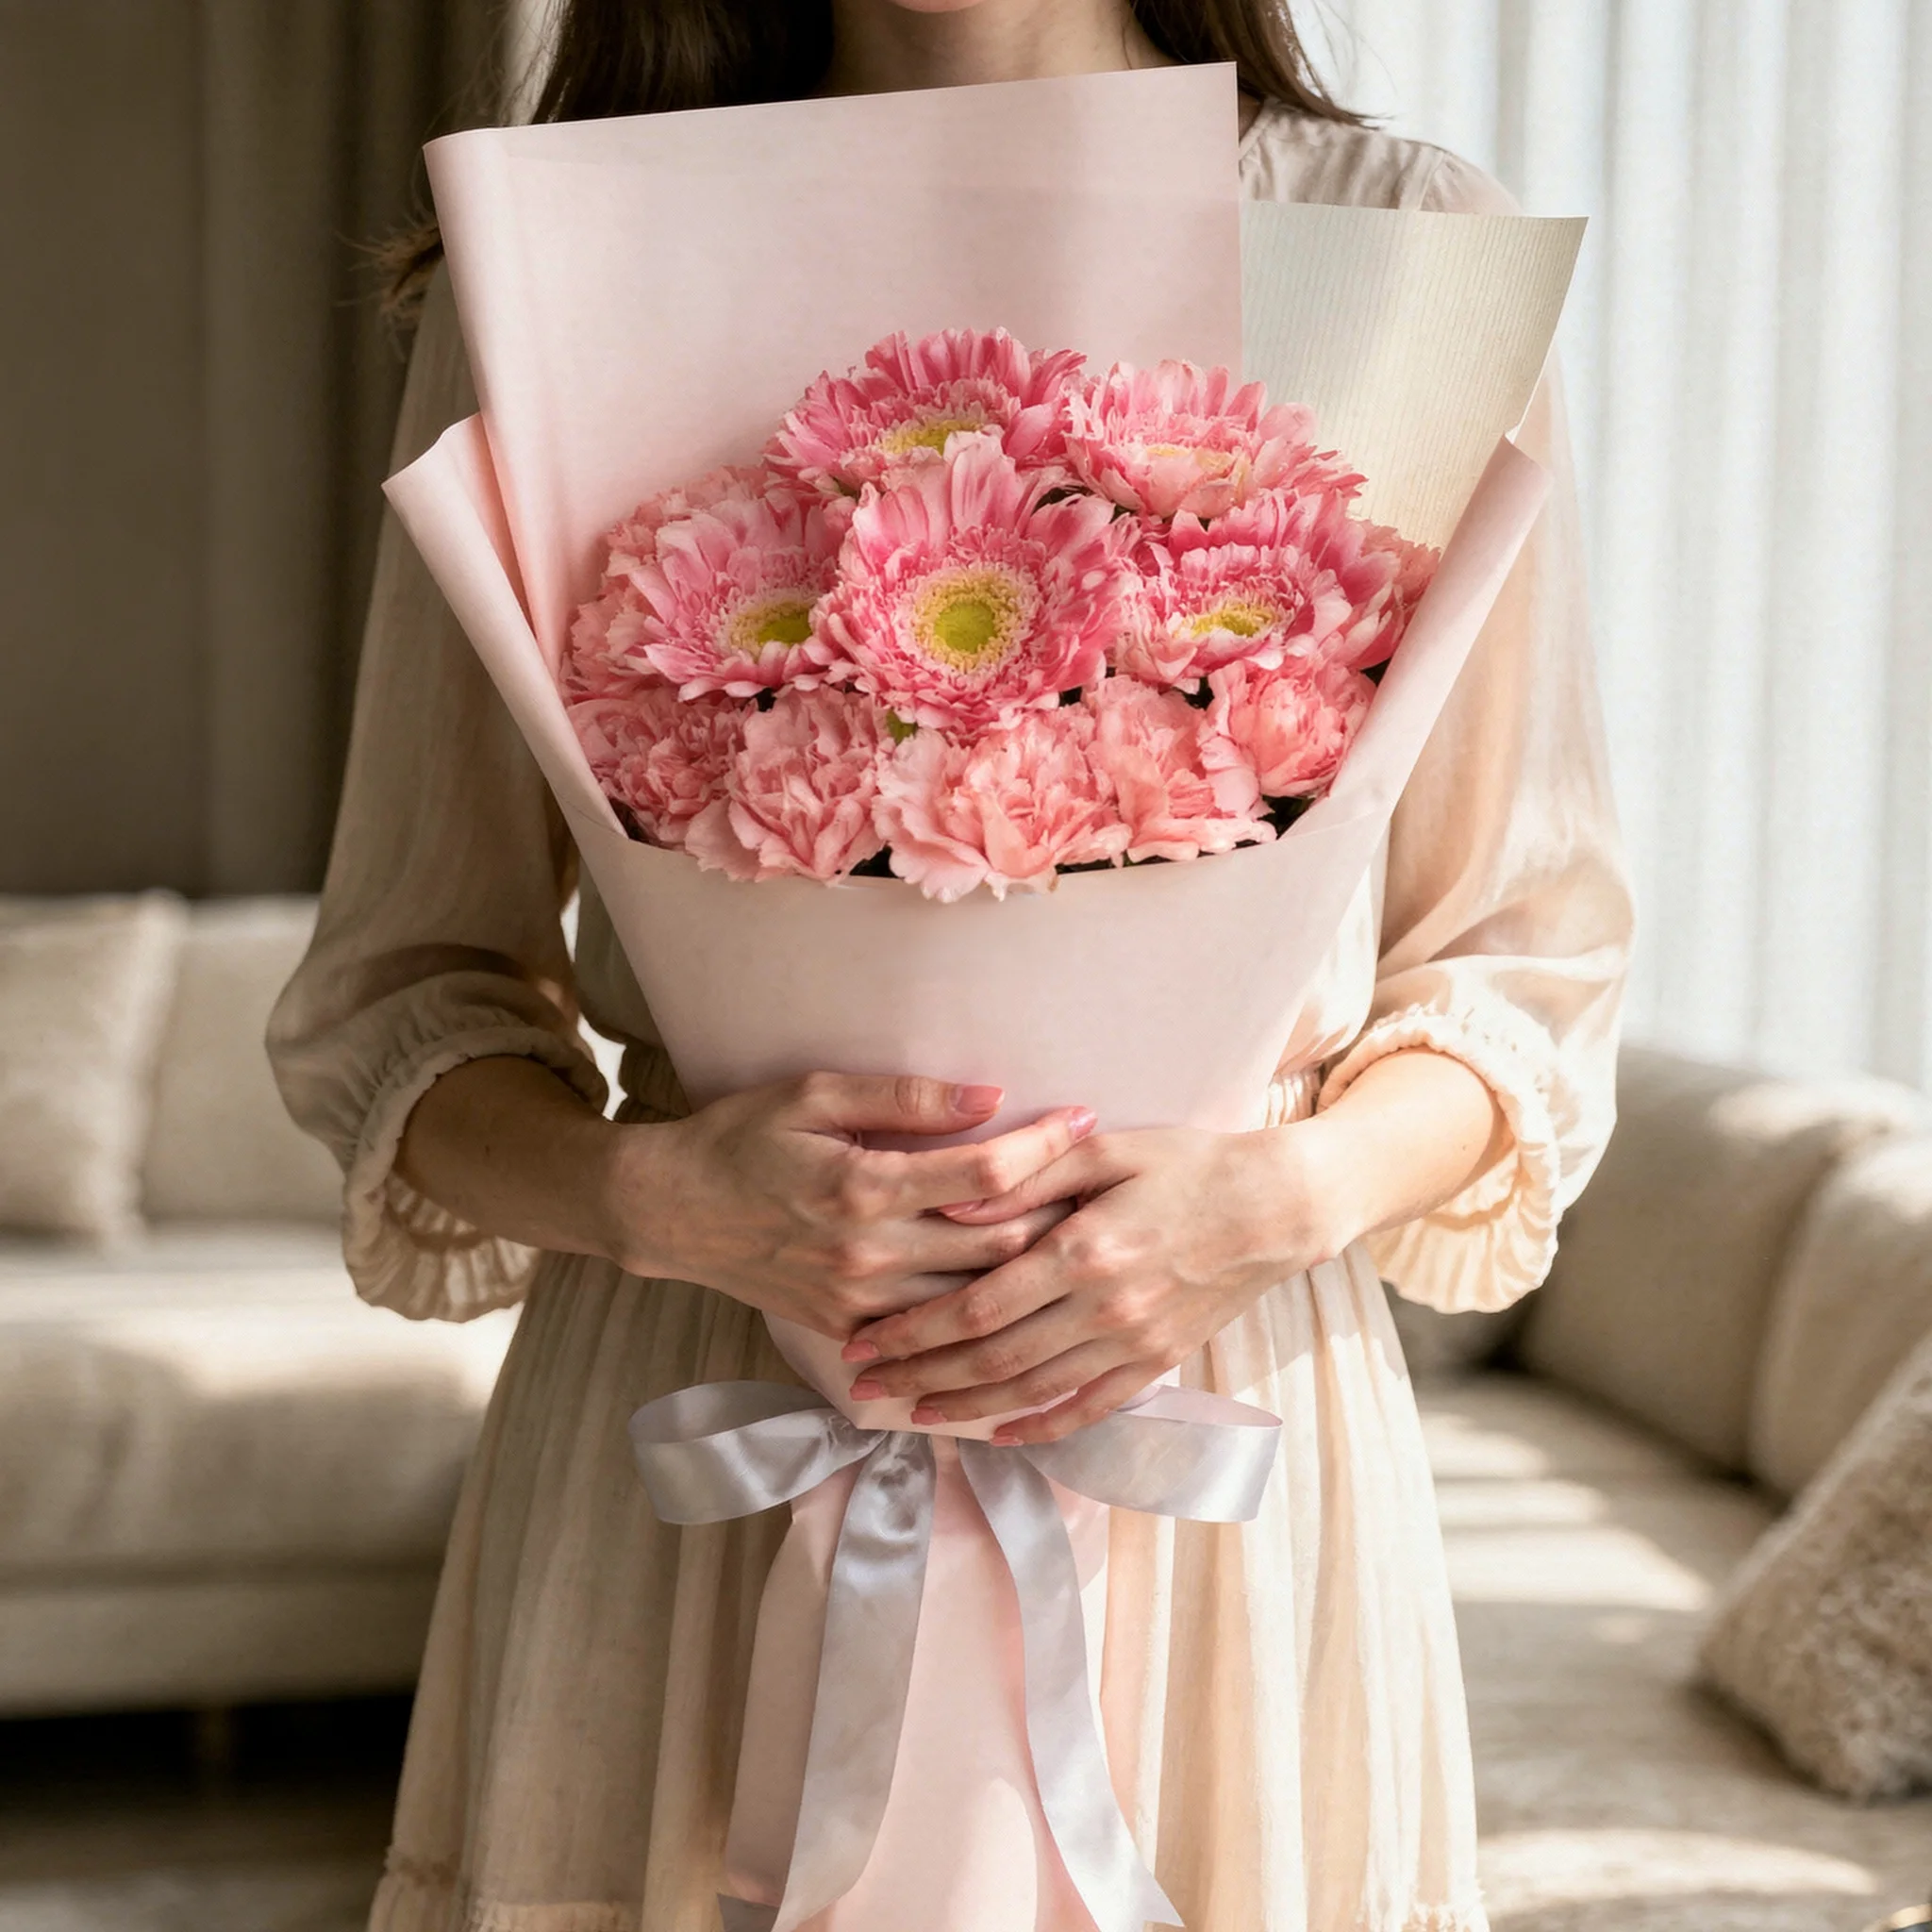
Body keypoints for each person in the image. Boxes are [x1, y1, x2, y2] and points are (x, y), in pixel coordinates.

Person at [269, 2, 1632, 1926]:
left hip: (1212, 1392)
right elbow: (403, 1002)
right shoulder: (545, 269)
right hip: (694, 1386)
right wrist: (657, 1198)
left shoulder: (1391, 235)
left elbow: (1516, 964)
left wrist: (1266, 1193)